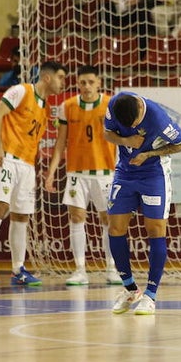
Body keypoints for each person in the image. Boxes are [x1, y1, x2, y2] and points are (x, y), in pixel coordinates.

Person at [0, 60, 68, 287]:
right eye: (60, 77)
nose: (63, 83)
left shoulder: (44, 107)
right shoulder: (21, 90)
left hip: (27, 165)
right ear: (47, 78)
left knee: (22, 216)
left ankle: (18, 269)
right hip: (6, 157)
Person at [102, 93, 181, 316]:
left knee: (155, 230)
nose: (130, 127)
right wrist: (125, 140)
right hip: (125, 172)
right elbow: (108, 133)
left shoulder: (158, 118)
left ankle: (150, 295)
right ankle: (130, 289)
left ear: (140, 112)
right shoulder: (115, 104)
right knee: (115, 228)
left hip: (153, 174)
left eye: (133, 125)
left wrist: (149, 153)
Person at [44, 65, 123, 286]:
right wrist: (51, 173)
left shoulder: (111, 105)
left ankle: (112, 268)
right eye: (82, 82)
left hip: (106, 173)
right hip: (76, 173)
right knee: (76, 217)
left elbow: (121, 140)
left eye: (91, 82)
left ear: (99, 83)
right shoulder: (67, 107)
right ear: (77, 84)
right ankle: (80, 269)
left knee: (108, 219)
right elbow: (60, 144)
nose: (87, 86)